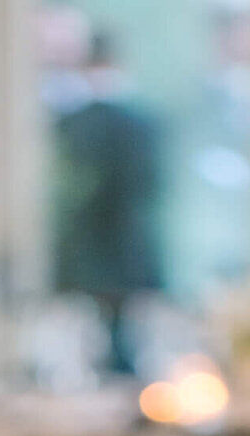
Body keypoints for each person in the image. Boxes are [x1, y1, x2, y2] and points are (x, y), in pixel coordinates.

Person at [51, 30, 165, 371]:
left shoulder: (79, 123)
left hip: (113, 250)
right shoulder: (128, 123)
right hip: (105, 252)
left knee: (119, 342)